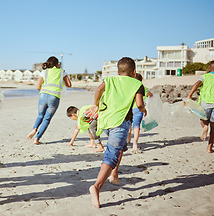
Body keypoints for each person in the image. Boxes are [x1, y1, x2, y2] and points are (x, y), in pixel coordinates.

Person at [86, 57, 147, 208]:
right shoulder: (137, 83)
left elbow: (99, 89)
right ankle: (97, 187)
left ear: (118, 72)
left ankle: (114, 174)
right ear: (134, 72)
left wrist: (95, 104)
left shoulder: (110, 80)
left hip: (105, 121)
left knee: (120, 148)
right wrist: (143, 109)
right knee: (112, 155)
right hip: (120, 123)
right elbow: (139, 103)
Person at [27, 56, 72, 144]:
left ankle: (34, 129)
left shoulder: (44, 72)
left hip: (43, 95)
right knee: (46, 119)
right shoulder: (62, 72)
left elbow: (37, 87)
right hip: (54, 97)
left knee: (40, 115)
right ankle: (37, 138)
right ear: (56, 63)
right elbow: (69, 84)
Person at [187, 60, 214, 153]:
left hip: (206, 104)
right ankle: (209, 148)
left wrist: (189, 95)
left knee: (203, 121)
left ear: (209, 68)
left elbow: (196, 84)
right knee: (213, 128)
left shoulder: (205, 76)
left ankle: (205, 126)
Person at [127, 73, 153, 153]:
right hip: (140, 109)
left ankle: (128, 140)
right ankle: (135, 144)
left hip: (130, 108)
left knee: (129, 124)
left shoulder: (131, 88)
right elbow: (151, 95)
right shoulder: (144, 88)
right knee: (136, 125)